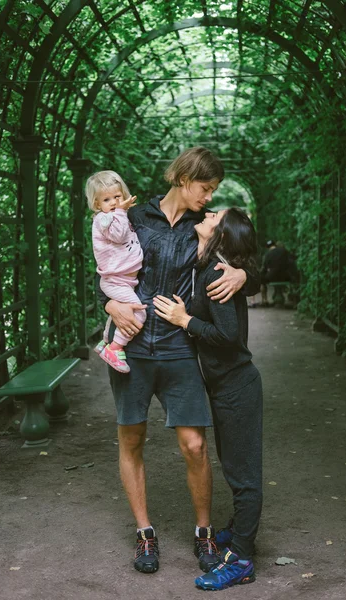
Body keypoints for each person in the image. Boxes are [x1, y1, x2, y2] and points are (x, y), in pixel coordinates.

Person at [97, 147, 260, 574]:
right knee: (131, 441)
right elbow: (105, 264)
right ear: (184, 178)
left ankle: (203, 533)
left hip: (179, 347)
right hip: (130, 346)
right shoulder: (133, 216)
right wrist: (108, 304)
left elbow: (244, 258)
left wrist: (245, 275)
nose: (209, 198)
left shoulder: (206, 228)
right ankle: (145, 534)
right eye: (206, 188)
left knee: (194, 444)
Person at [153, 207, 263, 590]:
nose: (208, 211)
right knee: (235, 467)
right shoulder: (207, 265)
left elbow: (229, 336)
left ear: (222, 234)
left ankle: (243, 560)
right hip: (224, 386)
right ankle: (240, 533)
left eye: (216, 214)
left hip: (237, 385)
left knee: (243, 475)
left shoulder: (217, 272)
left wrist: (186, 322)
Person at [86, 170, 146, 373]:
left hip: (123, 280)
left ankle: (105, 341)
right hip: (115, 281)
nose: (113, 202)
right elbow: (120, 237)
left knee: (118, 314)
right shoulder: (105, 219)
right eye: (106, 199)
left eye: (117, 197)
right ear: (97, 204)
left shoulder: (115, 216)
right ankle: (115, 347)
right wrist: (120, 211)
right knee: (137, 313)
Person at [260, 239, 291, 305]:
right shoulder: (284, 251)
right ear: (275, 245)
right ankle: (293, 300)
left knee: (261, 280)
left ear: (267, 248)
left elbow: (264, 269)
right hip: (285, 277)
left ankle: (265, 300)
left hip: (272, 277)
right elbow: (290, 263)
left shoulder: (267, 255)